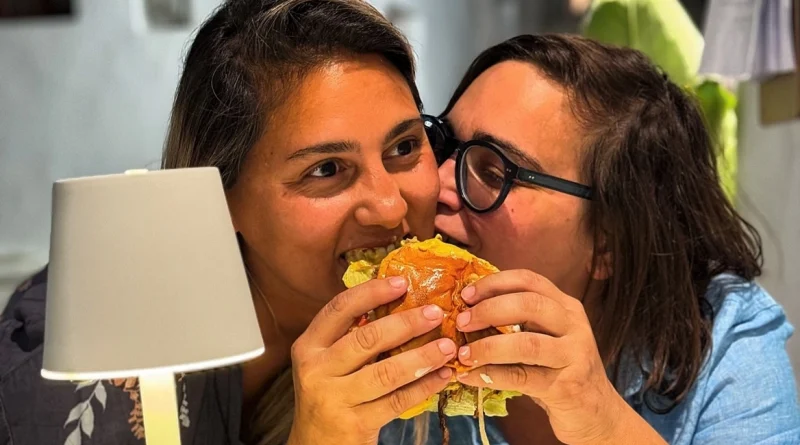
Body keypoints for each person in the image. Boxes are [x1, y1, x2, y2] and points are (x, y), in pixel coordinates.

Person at [0, 1, 454, 444]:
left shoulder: (441, 310)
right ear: (219, 196)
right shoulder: (79, 386)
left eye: (404, 147)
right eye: (326, 169)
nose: (390, 207)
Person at [384, 34, 800, 444]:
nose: (439, 186)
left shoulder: (725, 337)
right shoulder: (382, 331)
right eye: (441, 143)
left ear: (608, 242)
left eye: (493, 173)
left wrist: (603, 422)